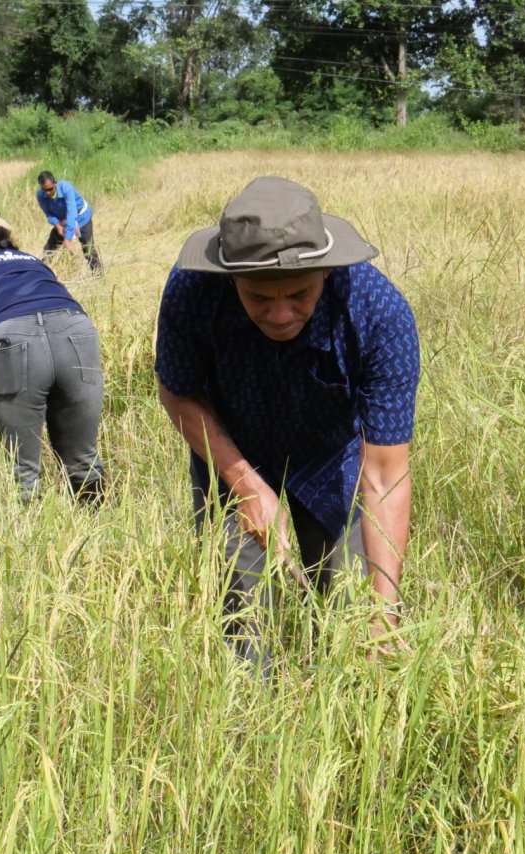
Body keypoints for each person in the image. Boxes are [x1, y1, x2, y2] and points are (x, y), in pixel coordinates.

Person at [155, 176, 420, 675]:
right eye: (258, 298)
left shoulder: (378, 314)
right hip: (230, 446)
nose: (280, 314)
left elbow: (385, 477)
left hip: (329, 458)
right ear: (230, 279)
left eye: (299, 294)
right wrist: (245, 482)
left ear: (326, 270)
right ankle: (249, 725)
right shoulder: (193, 291)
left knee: (352, 608)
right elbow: (178, 390)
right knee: (243, 617)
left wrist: (385, 611)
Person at [0, 195, 106, 503]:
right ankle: (101, 530)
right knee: (84, 461)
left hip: (9, 342)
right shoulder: (30, 260)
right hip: (78, 332)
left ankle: (31, 543)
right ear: (0, 232)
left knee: (21, 474)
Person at [35, 171, 101, 271]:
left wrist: (67, 239)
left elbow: (72, 212)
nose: (47, 193)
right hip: (63, 220)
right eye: (44, 190)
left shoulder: (66, 188)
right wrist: (57, 225)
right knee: (49, 249)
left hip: (81, 217)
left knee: (88, 248)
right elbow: (49, 213)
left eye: (50, 189)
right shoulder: (41, 195)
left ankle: (98, 276)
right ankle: (40, 273)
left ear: (55, 183)